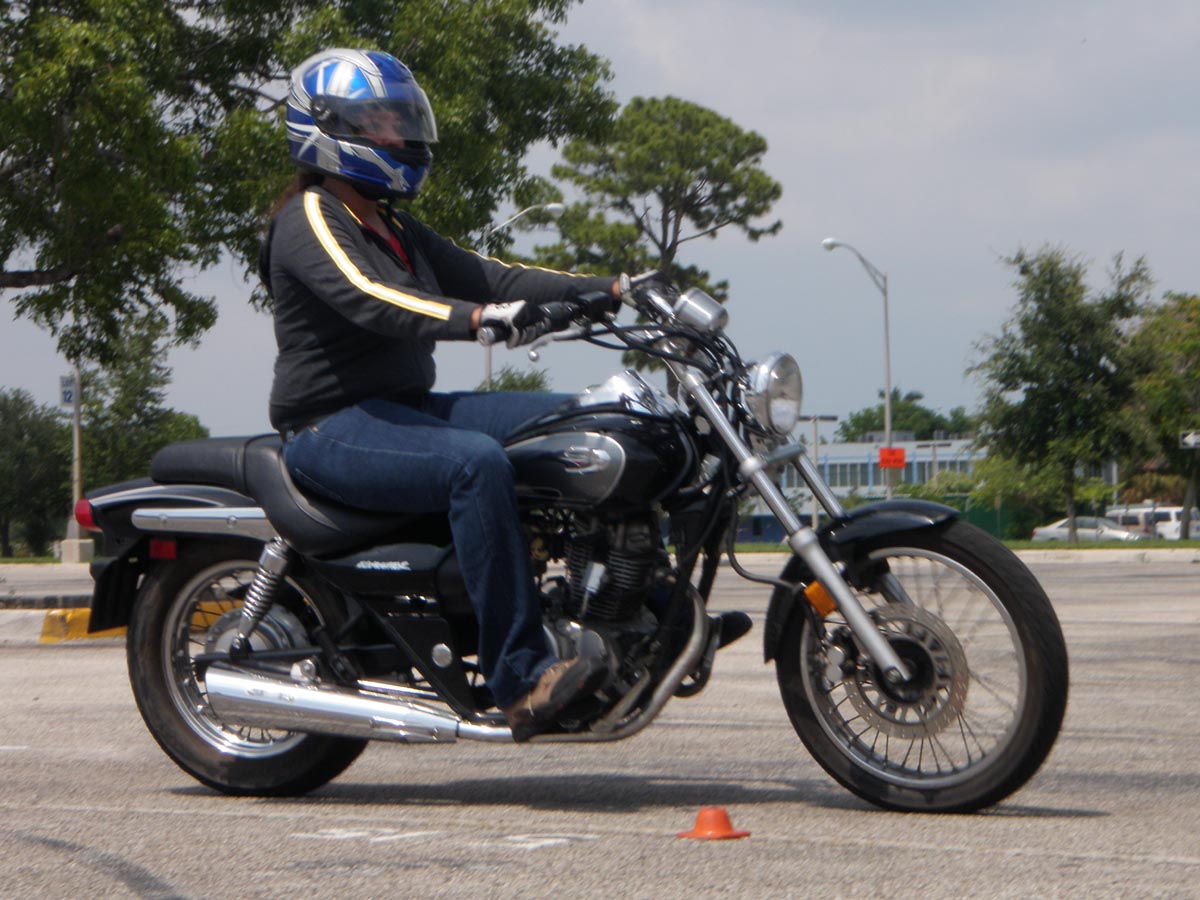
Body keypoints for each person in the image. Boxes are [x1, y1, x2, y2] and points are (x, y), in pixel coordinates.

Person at [258, 48, 617, 740]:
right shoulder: (310, 217)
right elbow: (372, 298)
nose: (397, 134)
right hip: (330, 425)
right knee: (474, 463)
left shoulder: (391, 224)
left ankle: (628, 609)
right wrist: (476, 321)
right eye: (378, 122)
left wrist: (608, 289)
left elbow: (493, 276)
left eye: (399, 120)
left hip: (404, 408)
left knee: (586, 418)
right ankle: (522, 679)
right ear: (329, 129)